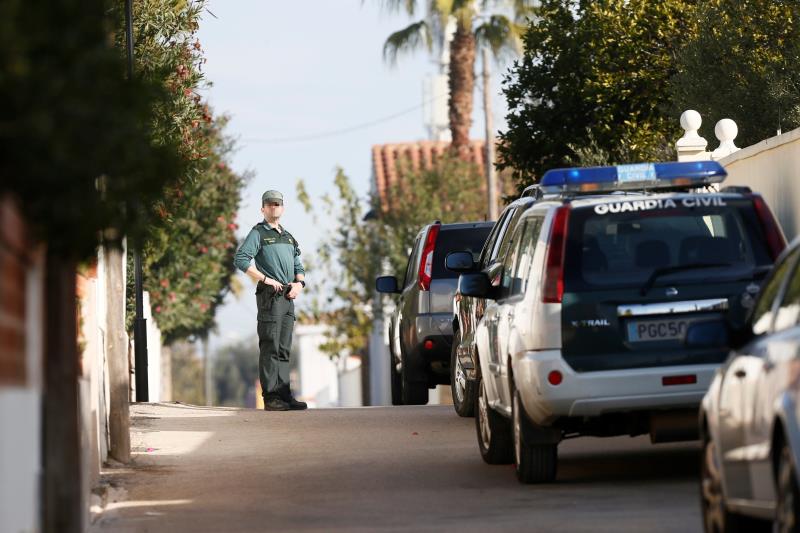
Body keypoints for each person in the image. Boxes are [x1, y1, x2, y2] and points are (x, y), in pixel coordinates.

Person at [233, 190, 307, 411]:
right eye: (269, 204)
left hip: (288, 295)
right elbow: (241, 259)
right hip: (270, 296)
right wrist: (265, 279)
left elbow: (299, 267)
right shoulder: (258, 233)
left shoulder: (288, 236)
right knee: (270, 346)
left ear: (282, 208)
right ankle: (272, 397)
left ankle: (285, 395)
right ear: (263, 209)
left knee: (284, 348)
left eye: (277, 204)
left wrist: (299, 285)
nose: (274, 207)